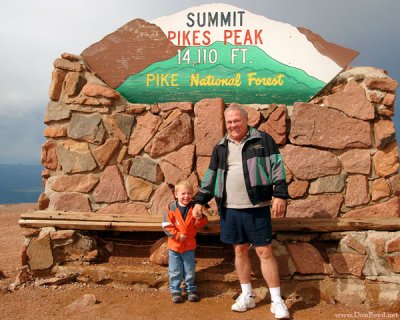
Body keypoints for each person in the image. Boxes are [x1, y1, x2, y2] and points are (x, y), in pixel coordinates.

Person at [192, 105, 290, 319]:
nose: (233, 125)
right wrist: (200, 200)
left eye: (236, 120)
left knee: (265, 252)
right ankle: (247, 295)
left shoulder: (263, 140)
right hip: (230, 208)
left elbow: (277, 167)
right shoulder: (220, 146)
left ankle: (276, 300)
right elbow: (211, 176)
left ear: (246, 120)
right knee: (239, 251)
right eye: (229, 122)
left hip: (257, 207)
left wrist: (280, 194)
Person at [162, 179, 208, 304]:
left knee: (189, 270)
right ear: (176, 194)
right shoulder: (171, 208)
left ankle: (191, 290)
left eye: (189, 193)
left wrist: (201, 217)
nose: (186, 196)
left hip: (189, 247)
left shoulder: (194, 208)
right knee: (175, 271)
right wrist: (177, 235)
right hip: (175, 247)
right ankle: (175, 291)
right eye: (183, 193)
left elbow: (199, 224)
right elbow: (166, 225)